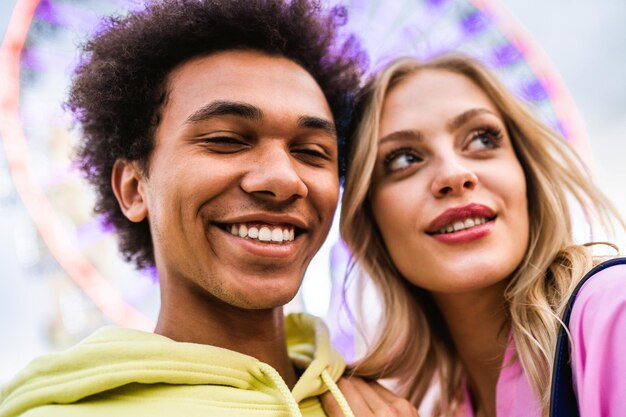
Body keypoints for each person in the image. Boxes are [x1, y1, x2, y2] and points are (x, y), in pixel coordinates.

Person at [0, 1, 367, 416]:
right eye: (227, 140)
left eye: (311, 151)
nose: (283, 179)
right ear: (134, 189)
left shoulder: (374, 402)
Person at [337, 55, 626, 417]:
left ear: (525, 173)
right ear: (368, 218)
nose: (455, 174)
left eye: (482, 138)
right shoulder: (417, 406)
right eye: (403, 159)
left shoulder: (613, 309)